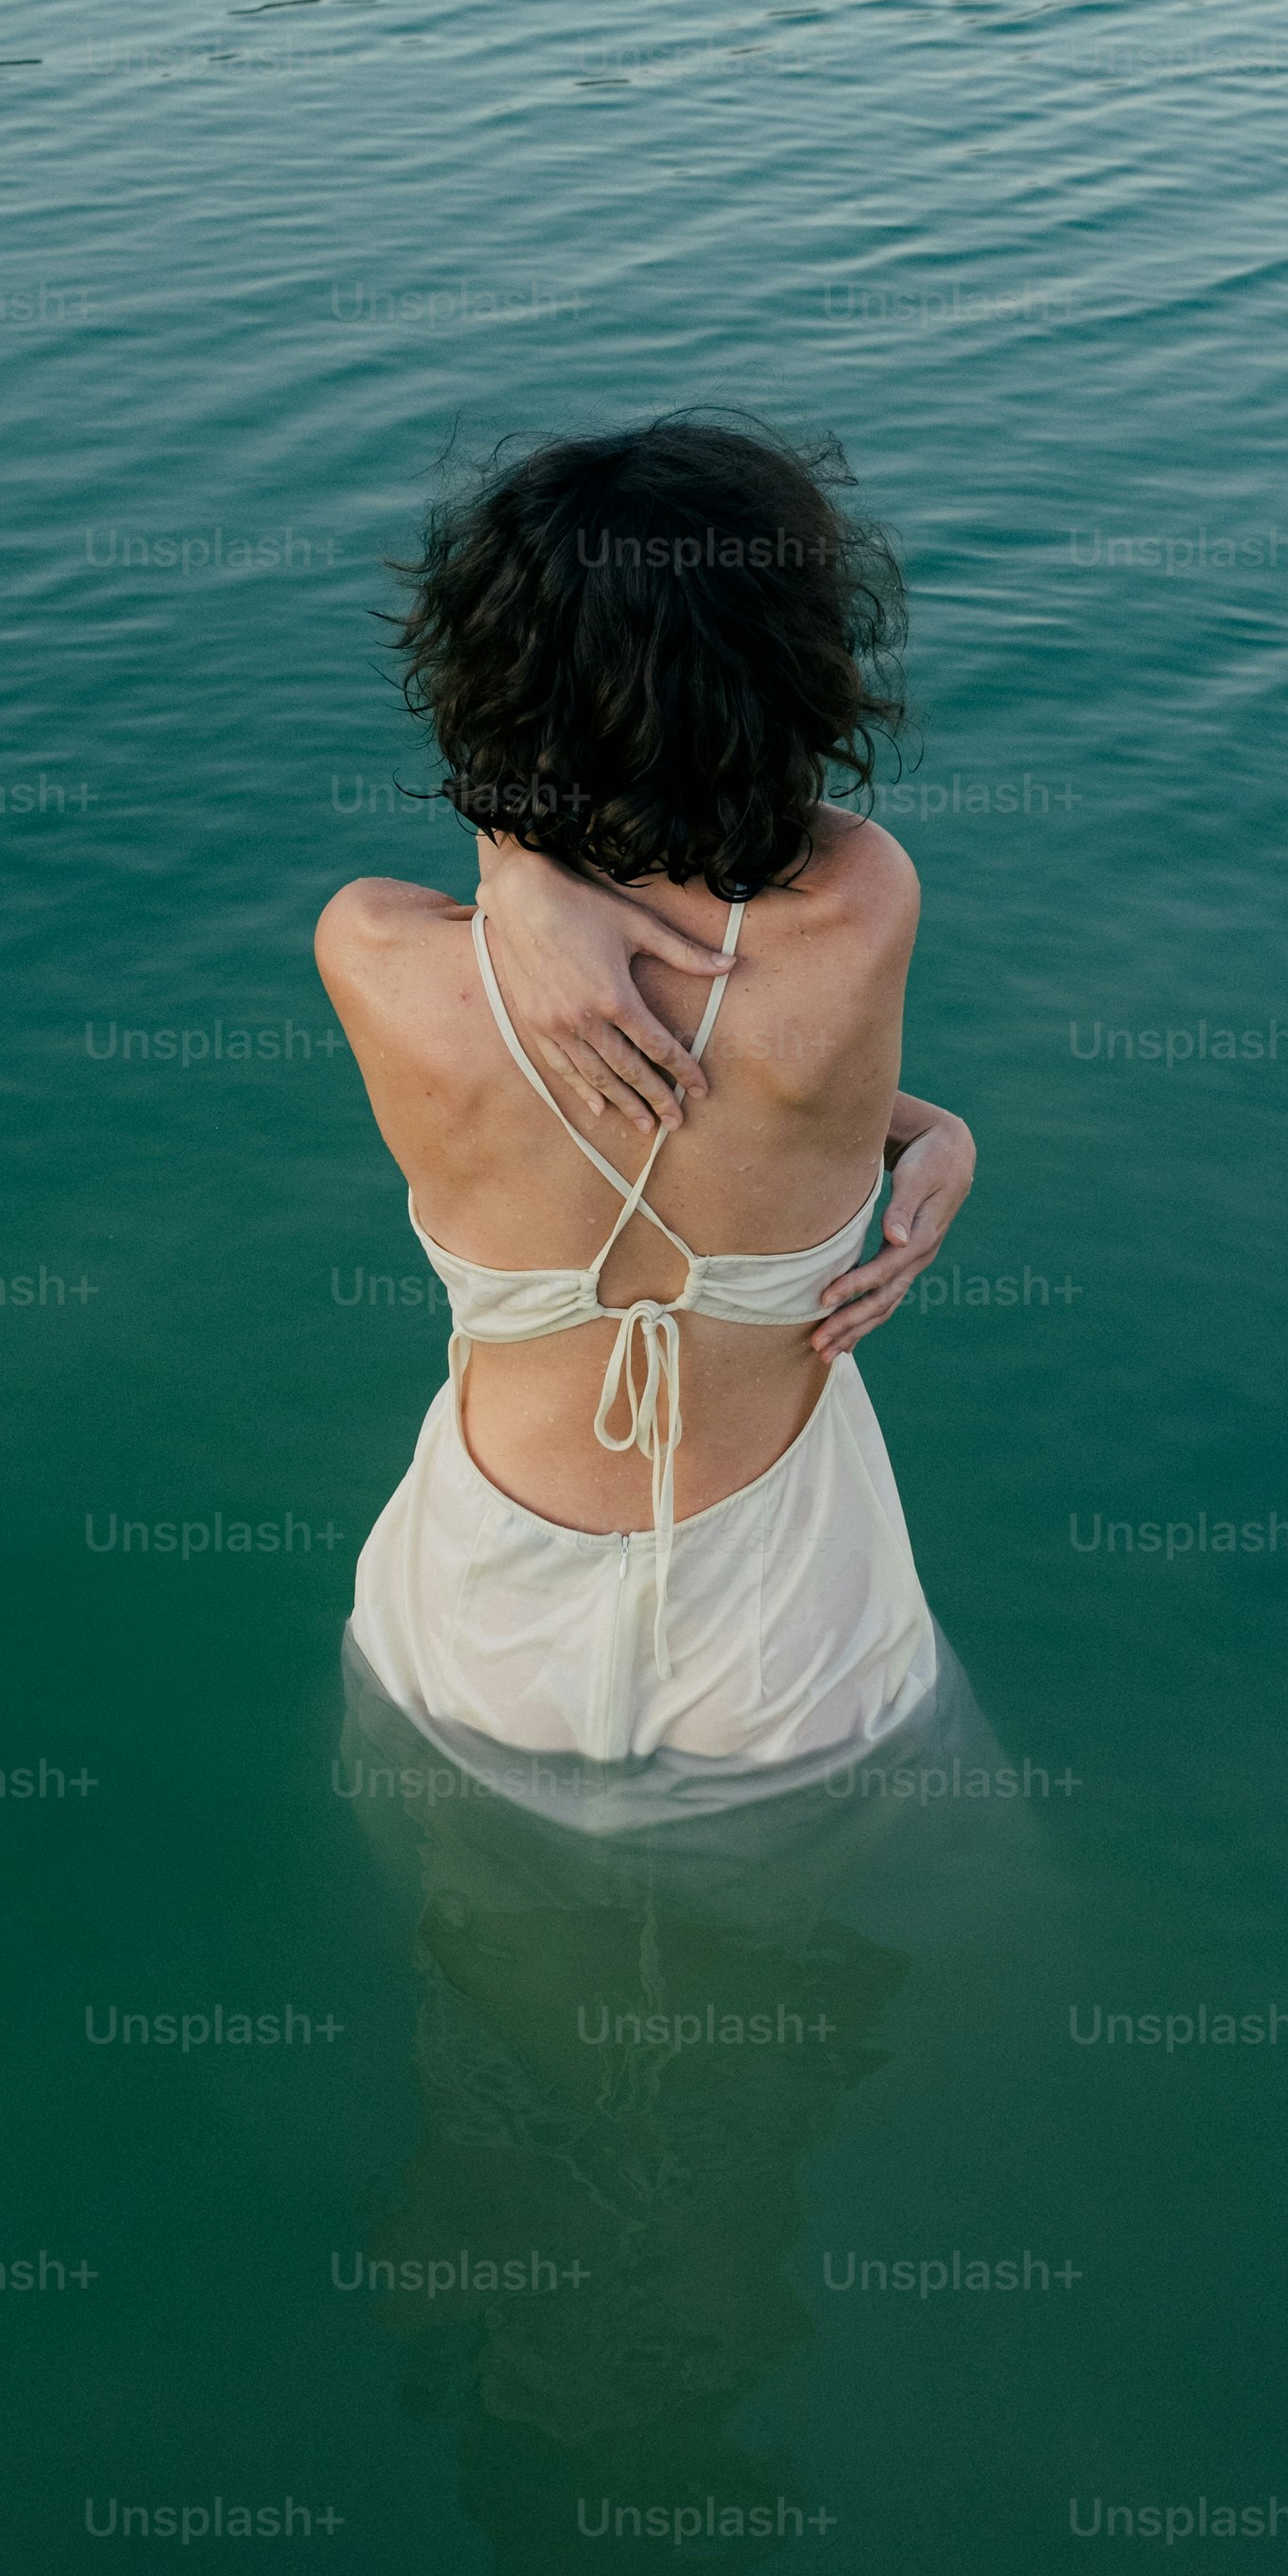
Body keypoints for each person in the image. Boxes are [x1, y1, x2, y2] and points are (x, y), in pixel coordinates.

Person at [316, 414, 976, 1784]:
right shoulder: (862, 909)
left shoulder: (374, 953)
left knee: (476, 1962)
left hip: (478, 1615)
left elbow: (494, 800)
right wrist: (940, 1127)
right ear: (795, 670)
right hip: (787, 1629)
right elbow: (766, 1093)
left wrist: (515, 866)